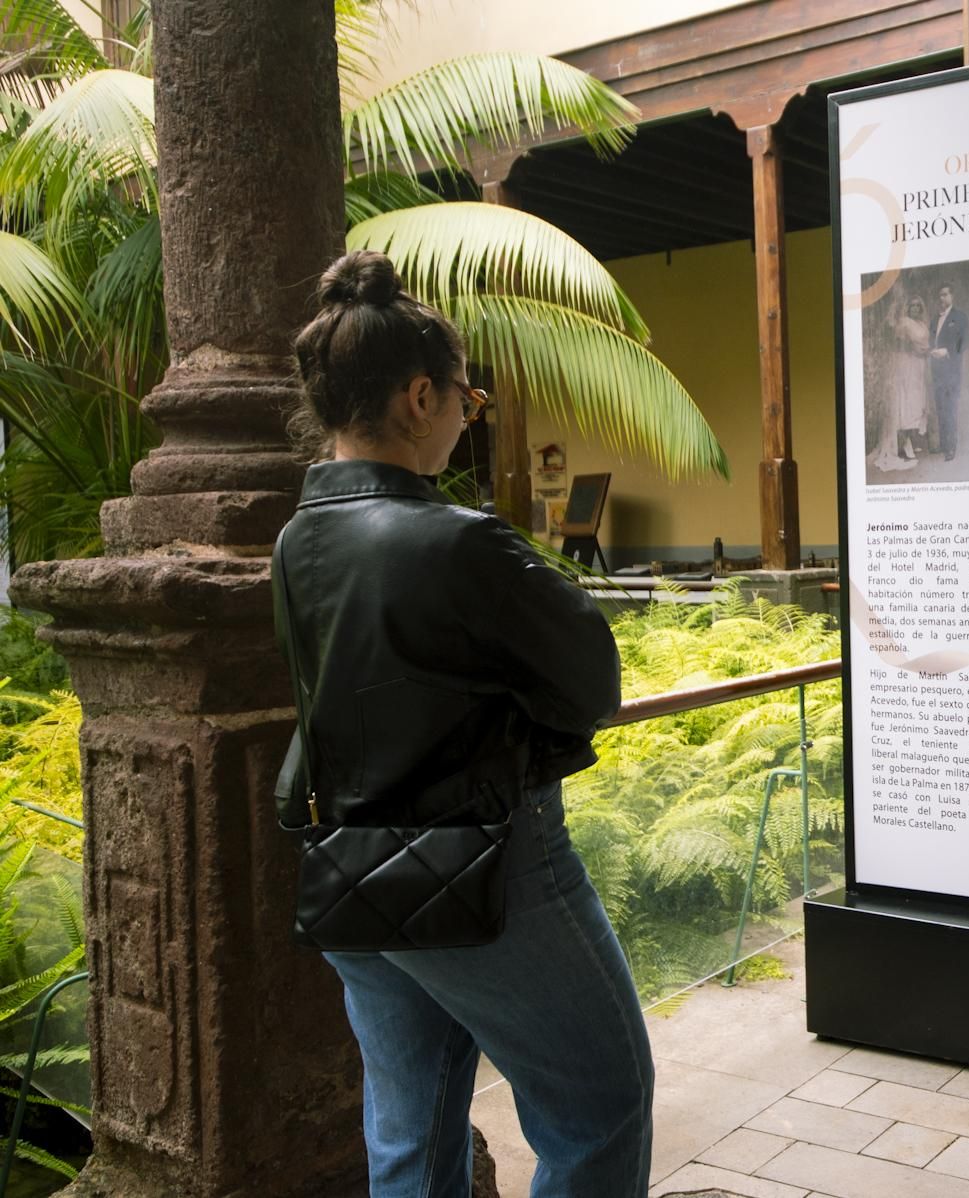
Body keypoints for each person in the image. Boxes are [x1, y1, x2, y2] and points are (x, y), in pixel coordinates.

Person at [280, 250, 654, 1197]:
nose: (463, 413)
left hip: (355, 875)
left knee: (410, 1130)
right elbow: (590, 682)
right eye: (464, 397)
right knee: (599, 1102)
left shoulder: (298, 541)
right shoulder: (458, 542)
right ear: (418, 397)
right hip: (485, 863)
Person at [867, 291, 930, 473]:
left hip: (920, 367)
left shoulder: (922, 325)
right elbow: (905, 345)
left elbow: (924, 345)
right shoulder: (904, 323)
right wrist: (923, 351)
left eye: (919, 306)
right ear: (908, 308)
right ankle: (906, 443)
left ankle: (909, 440)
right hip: (906, 366)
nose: (916, 309)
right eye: (913, 306)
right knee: (906, 405)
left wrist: (925, 352)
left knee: (918, 404)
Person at [929, 283, 968, 461]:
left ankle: (951, 447)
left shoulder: (959, 317)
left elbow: (964, 342)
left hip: (952, 370)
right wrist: (932, 350)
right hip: (937, 370)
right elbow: (932, 340)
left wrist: (948, 352)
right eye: (940, 295)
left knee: (950, 408)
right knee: (940, 407)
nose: (942, 298)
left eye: (945, 294)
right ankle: (944, 444)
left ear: (952, 296)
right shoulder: (935, 318)